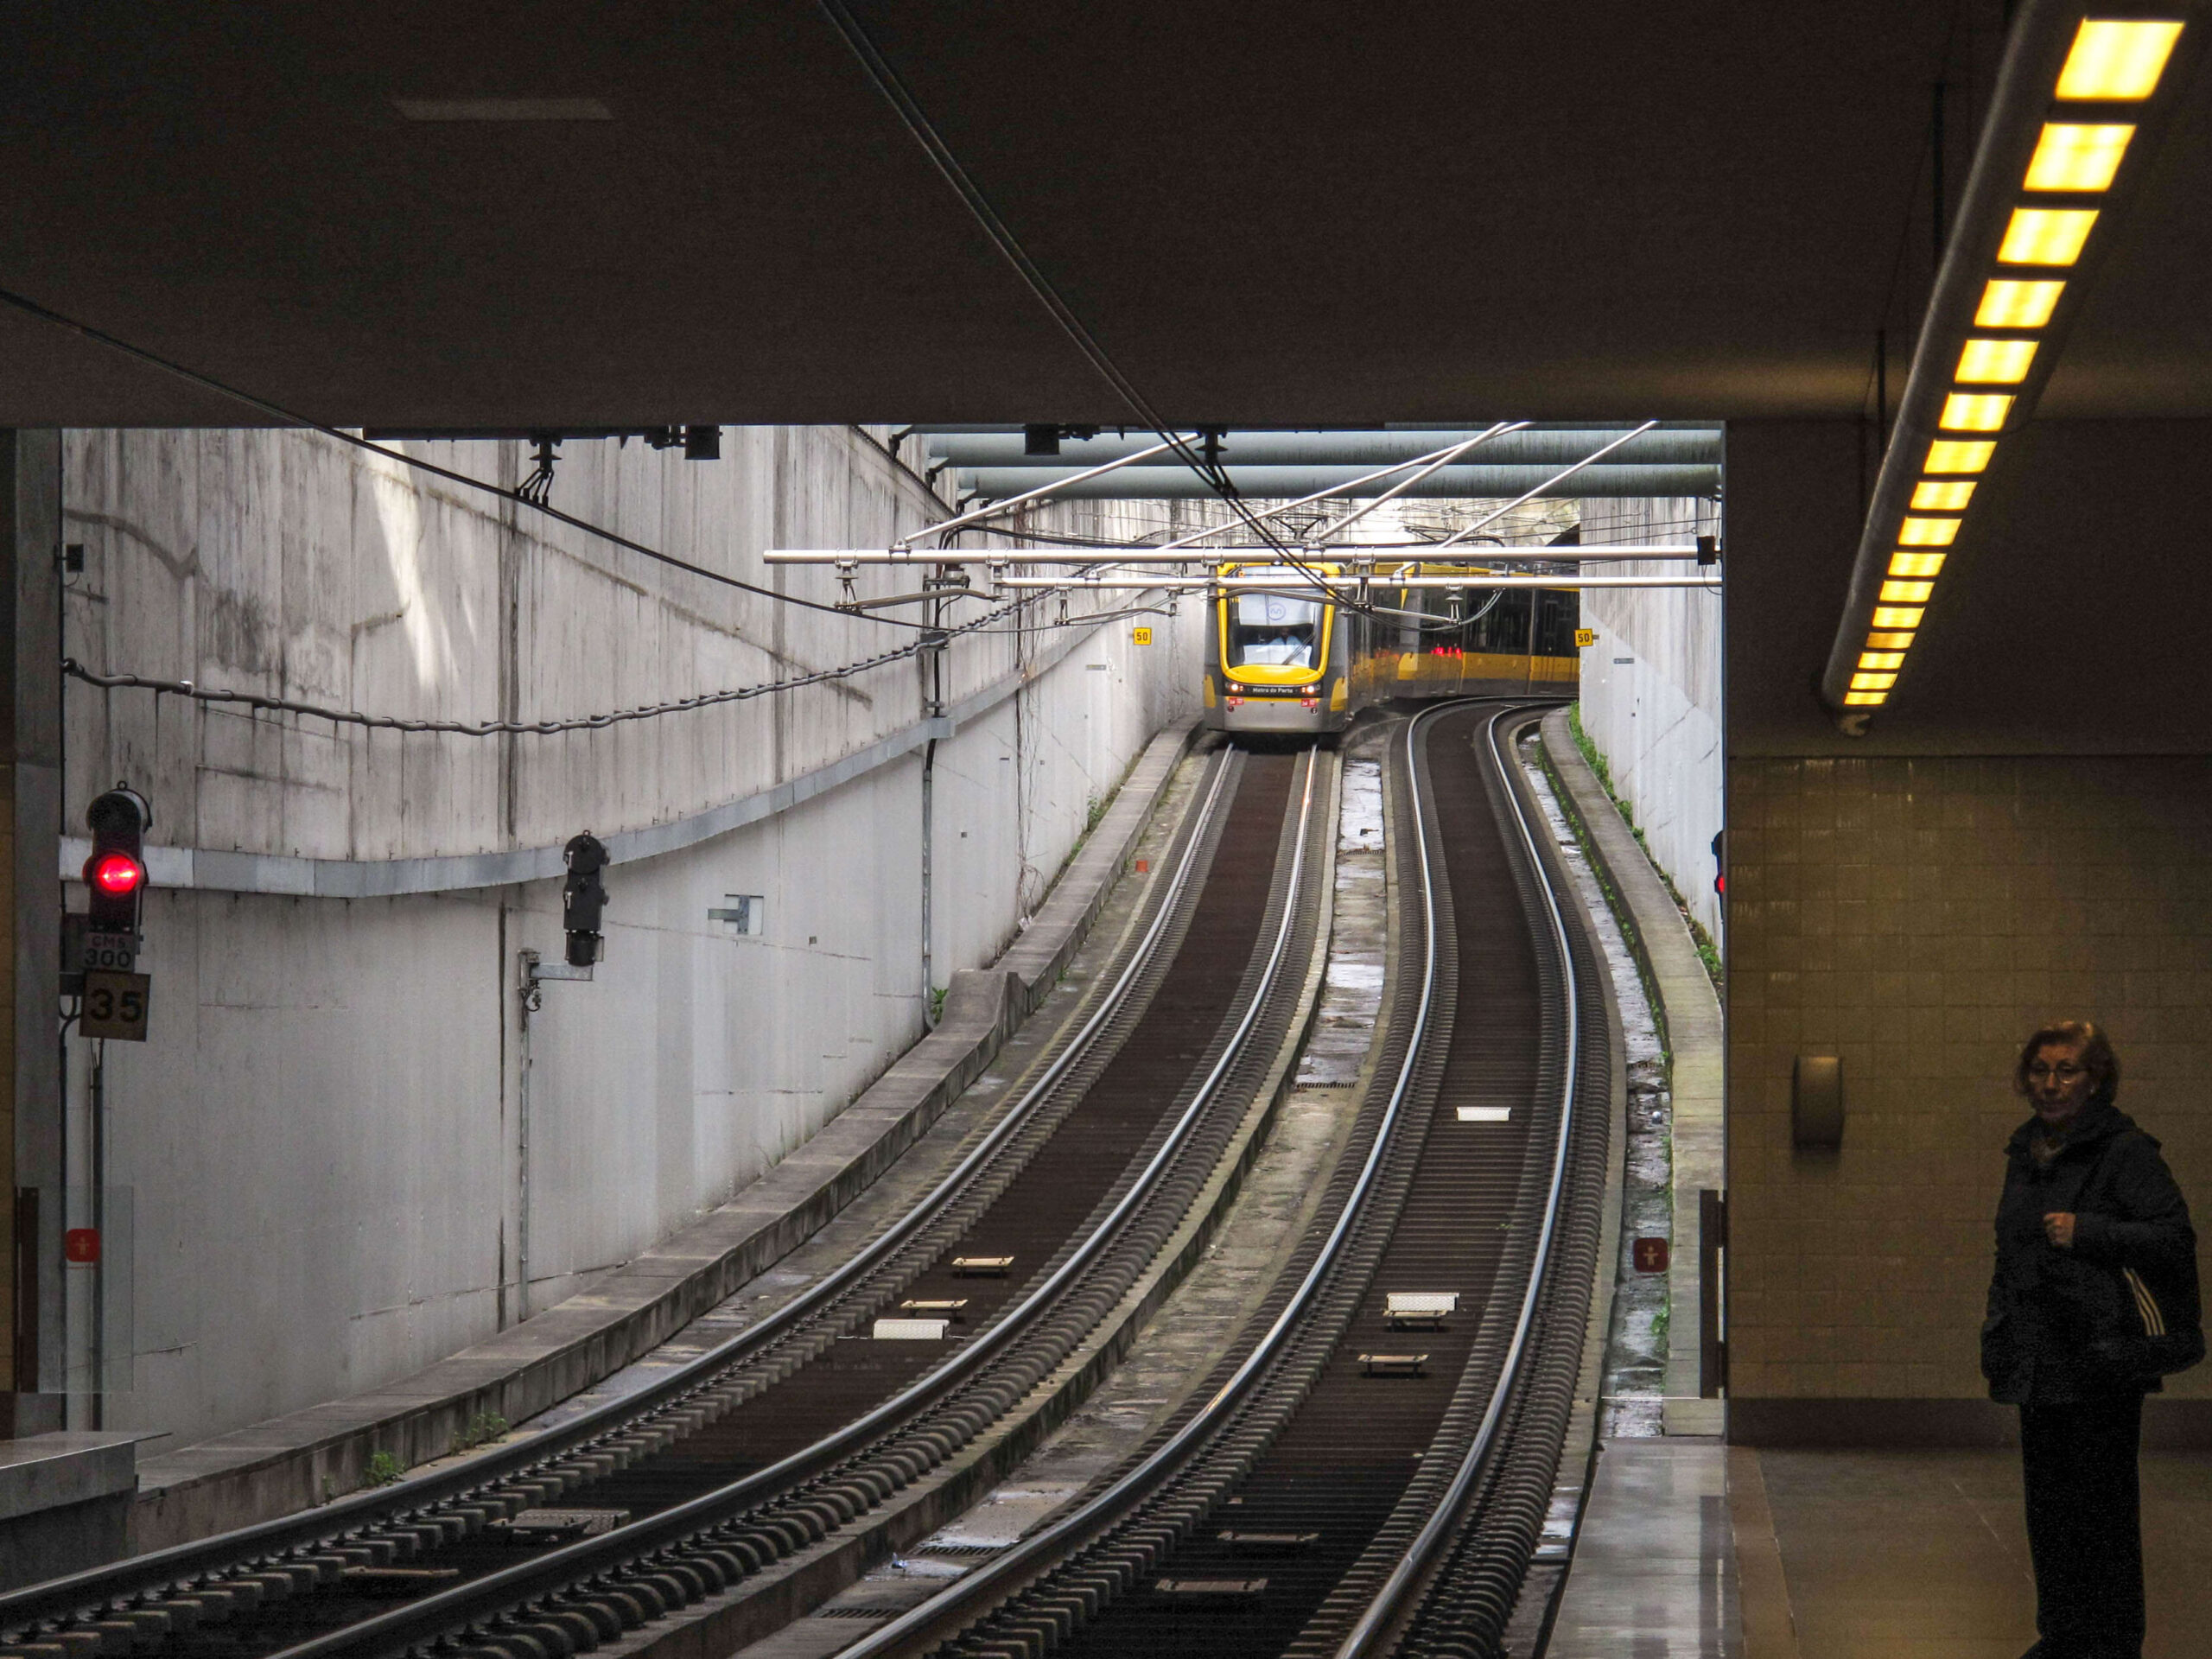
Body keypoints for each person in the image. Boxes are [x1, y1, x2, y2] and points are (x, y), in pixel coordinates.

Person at [1982, 1020, 2197, 1659]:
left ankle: (2113, 1643)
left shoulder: (2125, 1151)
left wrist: (2090, 1231)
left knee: (2102, 1516)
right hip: (2038, 1359)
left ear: (2096, 1080)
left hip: (2102, 1361)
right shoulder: (2027, 1151)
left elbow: (2173, 1237)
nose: (2051, 1084)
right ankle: (2064, 1635)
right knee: (2049, 1514)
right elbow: (2011, 1253)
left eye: (2067, 1070)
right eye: (2040, 1070)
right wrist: (1998, 1337)